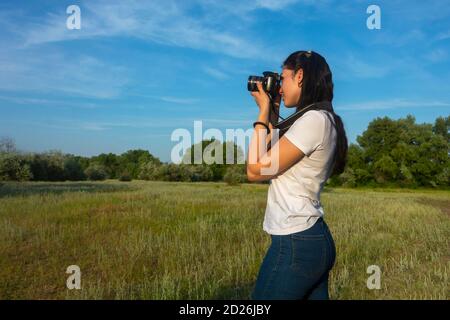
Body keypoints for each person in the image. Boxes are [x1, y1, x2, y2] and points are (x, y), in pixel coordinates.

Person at [247, 50, 348, 300]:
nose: (280, 87)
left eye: (283, 78)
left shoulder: (313, 120)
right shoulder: (319, 119)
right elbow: (270, 151)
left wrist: (261, 115)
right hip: (310, 239)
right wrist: (273, 110)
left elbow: (256, 169)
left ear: (300, 76)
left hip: (296, 243)